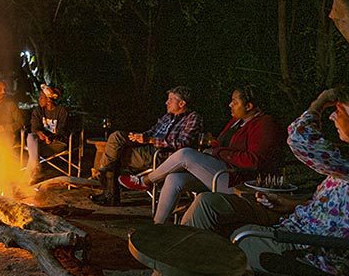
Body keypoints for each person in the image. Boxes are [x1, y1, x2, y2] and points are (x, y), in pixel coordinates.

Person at [118, 84, 349, 276]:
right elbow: (336, 210)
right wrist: (288, 203)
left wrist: (319, 103)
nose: (333, 118)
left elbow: (299, 139)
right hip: (293, 230)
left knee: (207, 242)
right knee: (206, 204)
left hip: (306, 254)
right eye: (332, 111)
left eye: (339, 112)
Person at [119, 84, 284, 224]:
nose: (229, 105)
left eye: (234, 102)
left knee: (185, 154)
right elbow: (221, 145)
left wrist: (218, 151)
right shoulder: (237, 122)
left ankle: (146, 180)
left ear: (249, 106)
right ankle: (158, 226)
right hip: (221, 173)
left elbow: (253, 161)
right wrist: (213, 145)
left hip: (239, 182)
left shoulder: (265, 124)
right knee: (174, 178)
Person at [91, 86, 203, 206]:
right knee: (116, 136)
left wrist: (151, 140)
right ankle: (104, 174)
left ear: (181, 103)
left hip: (162, 155)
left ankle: (106, 184)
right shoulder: (167, 117)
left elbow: (183, 144)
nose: (167, 103)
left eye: (170, 100)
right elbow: (151, 131)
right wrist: (139, 137)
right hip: (148, 147)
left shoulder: (193, 118)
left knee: (114, 155)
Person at [25, 84, 70, 183]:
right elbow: (34, 127)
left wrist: (50, 137)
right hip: (41, 143)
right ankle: (36, 171)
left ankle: (25, 180)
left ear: (49, 100)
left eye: (41, 97)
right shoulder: (38, 110)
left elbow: (62, 130)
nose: (39, 99)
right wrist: (39, 133)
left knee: (33, 153)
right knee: (30, 136)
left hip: (57, 144)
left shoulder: (62, 111)